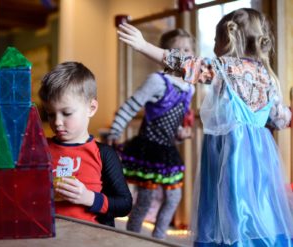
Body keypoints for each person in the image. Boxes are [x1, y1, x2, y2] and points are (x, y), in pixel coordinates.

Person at [117, 8, 293, 246]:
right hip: (260, 158)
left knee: (228, 203)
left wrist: (143, 46)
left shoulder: (226, 68)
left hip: (231, 156)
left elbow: (187, 65)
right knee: (257, 204)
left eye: (215, 40)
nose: (212, 44)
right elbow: (281, 118)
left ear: (228, 40)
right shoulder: (266, 75)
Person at [107, 28, 196, 239]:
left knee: (174, 197)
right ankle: (133, 238)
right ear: (163, 53)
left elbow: (172, 125)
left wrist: (180, 134)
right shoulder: (157, 80)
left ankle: (158, 238)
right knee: (145, 199)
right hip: (147, 148)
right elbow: (131, 106)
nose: (183, 54)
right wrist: (114, 131)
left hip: (167, 150)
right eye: (177, 49)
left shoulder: (190, 88)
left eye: (187, 49)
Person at [38, 61, 132, 226]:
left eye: (66, 113)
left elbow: (125, 204)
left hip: (90, 236)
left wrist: (89, 198)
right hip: (47, 232)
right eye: (51, 115)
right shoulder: (40, 148)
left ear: (91, 108)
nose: (57, 122)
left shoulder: (104, 154)